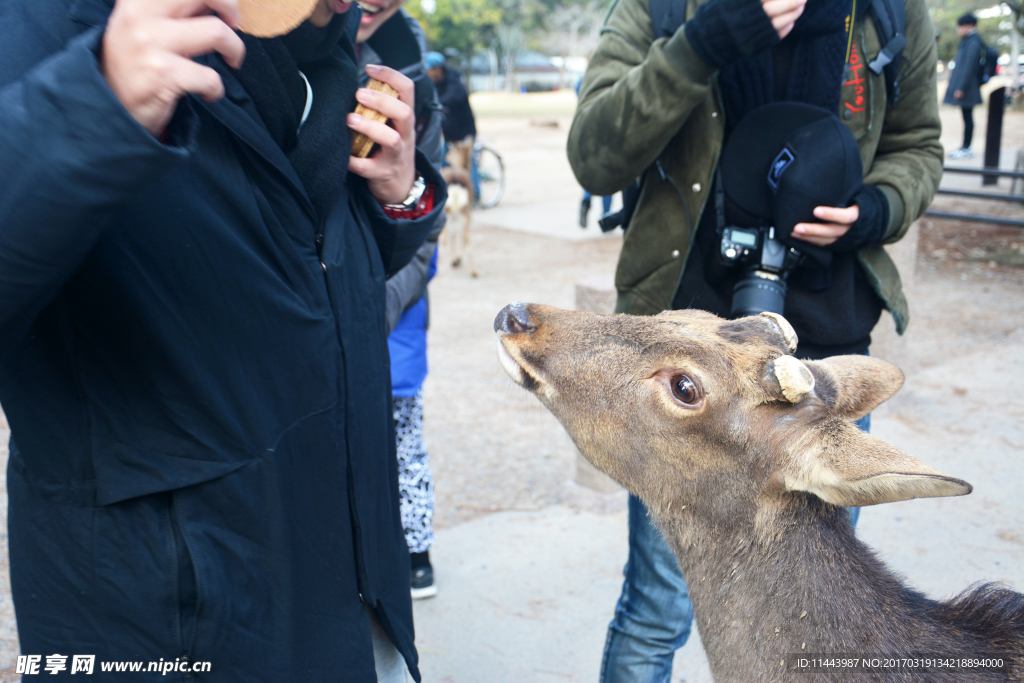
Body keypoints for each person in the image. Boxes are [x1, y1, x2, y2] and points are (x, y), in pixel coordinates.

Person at [0, 0, 445, 680]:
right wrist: (95, 106)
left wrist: (402, 195)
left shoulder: (315, 45)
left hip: (355, 593)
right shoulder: (39, 23)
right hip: (170, 621)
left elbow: (308, 270)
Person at [568, 0, 943, 681]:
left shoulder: (890, 11)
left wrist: (874, 209)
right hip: (684, 372)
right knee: (658, 609)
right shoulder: (661, 8)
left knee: (812, 613)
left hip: (825, 359)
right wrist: (703, 41)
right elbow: (593, 155)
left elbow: (918, 146)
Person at [354, 0, 444, 599]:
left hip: (391, 315)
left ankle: (414, 549)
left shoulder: (411, 72)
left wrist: (369, 309)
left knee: (401, 440)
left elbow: (424, 221)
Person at [426, 52, 480, 199]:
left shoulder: (454, 82)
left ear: (438, 69)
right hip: (448, 133)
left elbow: (452, 97)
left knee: (469, 164)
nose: (427, 73)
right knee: (441, 161)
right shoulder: (434, 84)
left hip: (464, 132)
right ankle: (445, 193)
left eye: (429, 69)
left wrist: (437, 104)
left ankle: (474, 195)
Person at [944, 13, 984, 160]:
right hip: (967, 87)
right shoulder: (969, 41)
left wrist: (961, 88)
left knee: (968, 117)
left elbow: (968, 68)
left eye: (961, 26)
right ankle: (965, 146)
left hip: (968, 88)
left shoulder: (973, 42)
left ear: (970, 26)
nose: (958, 30)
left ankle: (966, 147)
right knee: (966, 117)